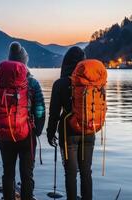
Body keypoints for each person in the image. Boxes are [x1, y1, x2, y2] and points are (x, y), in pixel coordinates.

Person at [0, 42, 45, 200]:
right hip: (27, 135)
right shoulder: (32, 82)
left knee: (8, 174)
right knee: (27, 176)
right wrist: (37, 130)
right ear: (24, 62)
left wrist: (0, 127)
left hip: (5, 136)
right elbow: (40, 109)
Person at [47, 47, 95, 200]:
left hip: (69, 133)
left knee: (71, 174)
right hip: (89, 131)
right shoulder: (93, 82)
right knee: (86, 171)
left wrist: (50, 133)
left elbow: (54, 113)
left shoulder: (60, 84)